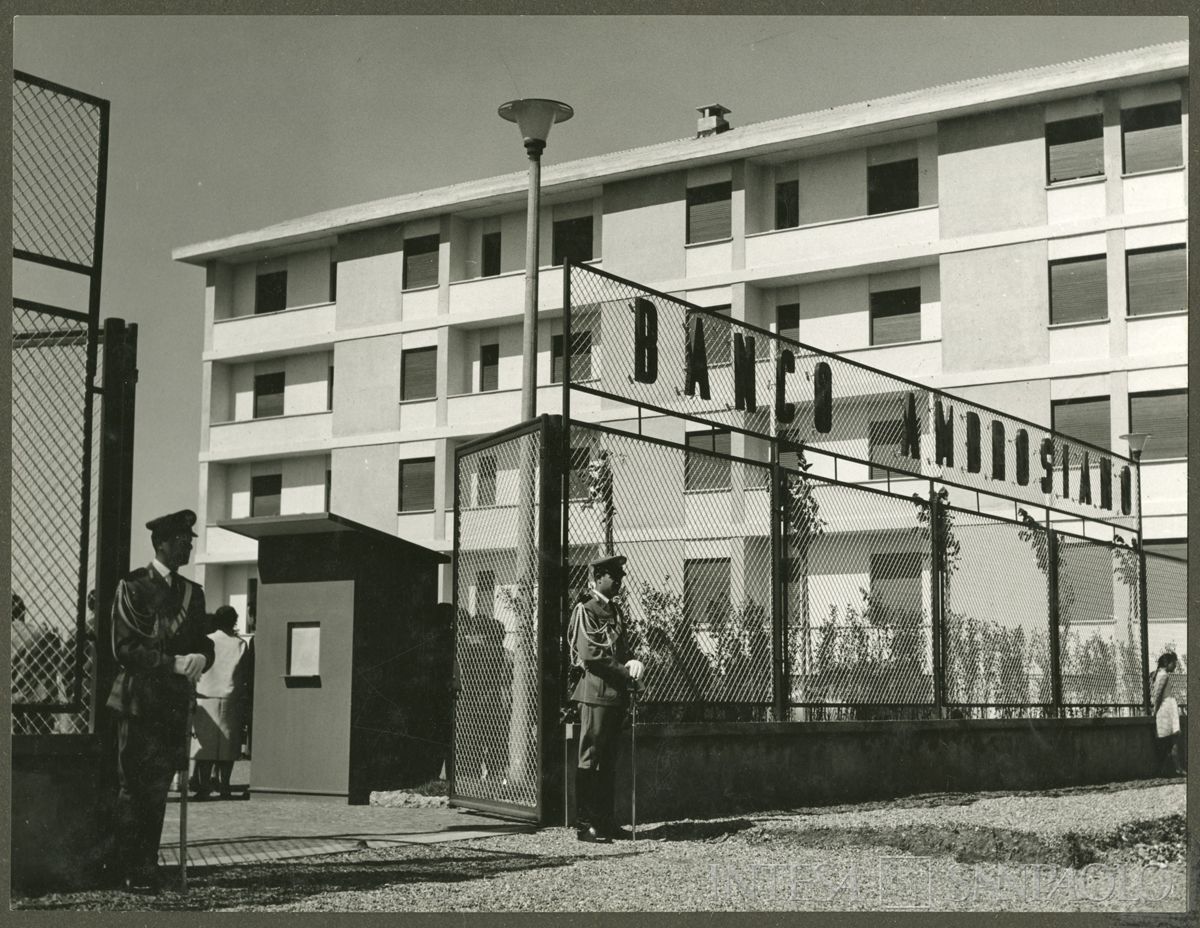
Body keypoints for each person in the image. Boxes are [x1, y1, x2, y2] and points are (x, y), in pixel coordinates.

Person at [106, 509, 214, 892]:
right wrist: (173, 662)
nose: (188, 545)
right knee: (132, 787)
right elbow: (125, 648)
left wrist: (203, 657)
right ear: (162, 543)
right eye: (182, 540)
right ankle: (128, 867)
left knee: (157, 790)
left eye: (190, 539)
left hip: (171, 705)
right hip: (139, 702)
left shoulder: (192, 593)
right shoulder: (134, 586)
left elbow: (202, 642)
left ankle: (147, 865)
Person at [568, 554, 645, 843]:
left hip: (614, 695)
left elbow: (620, 650)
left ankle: (605, 820)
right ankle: (585, 824)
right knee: (591, 757)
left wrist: (633, 667)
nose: (620, 580)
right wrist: (624, 672)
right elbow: (590, 654)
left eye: (621, 575)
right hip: (597, 692)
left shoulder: (615, 612)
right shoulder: (586, 609)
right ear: (599, 577)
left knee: (608, 760)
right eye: (614, 575)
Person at [191, 605, 253, 800]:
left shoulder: (207, 640)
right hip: (230, 697)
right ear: (234, 621)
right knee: (229, 745)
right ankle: (224, 785)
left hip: (205, 695)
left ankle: (204, 787)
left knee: (206, 745)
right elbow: (245, 672)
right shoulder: (240, 644)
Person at [11, 592, 63, 734]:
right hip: (37, 701)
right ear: (23, 611)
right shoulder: (38, 632)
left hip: (11, 701)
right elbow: (55, 659)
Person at [1150, 651, 1181, 776]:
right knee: (1172, 740)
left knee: (1167, 741)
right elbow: (1157, 695)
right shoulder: (1163, 676)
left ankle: (1170, 769)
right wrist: (1155, 710)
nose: (1175, 666)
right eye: (1173, 663)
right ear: (1167, 663)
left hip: (1165, 709)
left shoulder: (1160, 675)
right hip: (1165, 710)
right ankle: (1175, 768)